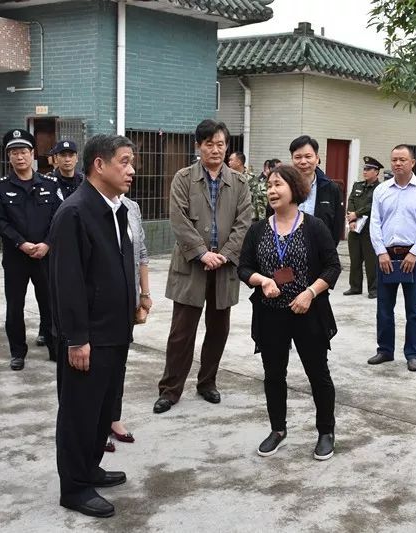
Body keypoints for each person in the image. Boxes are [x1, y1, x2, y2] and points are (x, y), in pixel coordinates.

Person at [49, 134, 137, 518]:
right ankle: (74, 487)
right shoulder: (75, 212)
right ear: (99, 165)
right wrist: (77, 338)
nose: (131, 170)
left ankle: (90, 468)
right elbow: (67, 282)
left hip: (115, 332)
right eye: (124, 161)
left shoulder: (117, 208)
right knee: (79, 413)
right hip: (89, 338)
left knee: (103, 409)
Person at [238, 164, 341, 460]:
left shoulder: (314, 226)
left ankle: (325, 431)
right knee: (273, 374)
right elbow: (244, 267)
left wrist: (310, 293)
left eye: (278, 185)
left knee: (317, 374)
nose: (272, 190)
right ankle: (278, 429)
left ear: (295, 189)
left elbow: (333, 266)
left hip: (307, 312)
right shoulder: (258, 230)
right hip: (271, 313)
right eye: (269, 185)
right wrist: (263, 280)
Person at [153, 119, 252, 414]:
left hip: (224, 267)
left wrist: (224, 254)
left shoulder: (239, 182)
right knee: (182, 332)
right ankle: (170, 389)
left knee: (218, 329)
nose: (215, 149)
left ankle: (207, 382)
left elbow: (244, 222)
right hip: (191, 266)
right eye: (209, 144)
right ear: (199, 146)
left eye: (220, 144)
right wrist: (201, 253)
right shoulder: (183, 178)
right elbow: (178, 220)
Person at [0, 129, 61, 370]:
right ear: (8, 157)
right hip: (16, 257)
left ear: (32, 154)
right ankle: (18, 352)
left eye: (23, 151)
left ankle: (54, 347)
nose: (19, 157)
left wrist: (48, 243)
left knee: (50, 304)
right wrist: (21, 243)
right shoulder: (0, 187)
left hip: (45, 256)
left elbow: (58, 217)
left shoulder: (50, 184)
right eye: (13, 152)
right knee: (15, 306)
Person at [368, 145, 416, 370]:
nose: (397, 163)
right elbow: (375, 223)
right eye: (394, 159)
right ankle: (385, 350)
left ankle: (414, 354)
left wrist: (415, 253)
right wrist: (381, 252)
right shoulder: (381, 190)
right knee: (384, 308)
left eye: (402, 160)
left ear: (412, 163)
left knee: (415, 310)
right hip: (386, 256)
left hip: (413, 258)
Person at [105, 193, 152, 453]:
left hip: (128, 298)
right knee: (99, 366)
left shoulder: (132, 206)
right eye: (124, 163)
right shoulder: (88, 206)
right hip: (101, 302)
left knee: (118, 363)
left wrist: (144, 294)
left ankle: (113, 418)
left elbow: (142, 253)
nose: (131, 171)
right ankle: (95, 425)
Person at [278, 136, 344, 247]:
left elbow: (337, 227)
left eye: (308, 156)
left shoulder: (332, 189)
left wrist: (328, 252)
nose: (303, 162)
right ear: (292, 159)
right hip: (285, 252)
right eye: (298, 157)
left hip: (319, 253)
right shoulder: (281, 187)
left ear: (317, 158)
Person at [344, 155, 383, 299]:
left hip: (369, 229)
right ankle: (355, 287)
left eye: (369, 169)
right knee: (355, 259)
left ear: (376, 172)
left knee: (371, 260)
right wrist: (351, 219)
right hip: (355, 227)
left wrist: (357, 213)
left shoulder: (380, 189)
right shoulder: (357, 185)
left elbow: (374, 206)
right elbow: (351, 201)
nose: (365, 171)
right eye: (364, 169)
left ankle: (373, 289)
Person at [230, 150, 266, 221]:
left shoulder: (251, 178)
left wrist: (260, 218)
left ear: (238, 162)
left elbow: (256, 198)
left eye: (231, 160)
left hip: (248, 215)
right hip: (232, 214)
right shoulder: (228, 177)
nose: (229, 162)